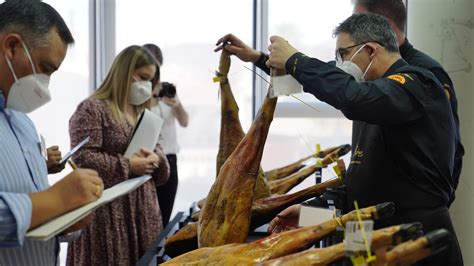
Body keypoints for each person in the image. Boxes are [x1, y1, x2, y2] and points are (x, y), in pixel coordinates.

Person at [216, 13, 462, 266]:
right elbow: (360, 186)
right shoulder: (371, 97)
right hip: (363, 230)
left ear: (370, 50)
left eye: (343, 55)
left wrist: (294, 59)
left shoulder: (416, 84)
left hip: (411, 235)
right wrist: (309, 214)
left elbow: (350, 96)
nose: (340, 64)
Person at [0, 1, 104, 265]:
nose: (45, 86)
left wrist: (66, 217)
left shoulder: (23, 124)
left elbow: (36, 208)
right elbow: (45, 202)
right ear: (11, 46)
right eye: (44, 68)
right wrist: (58, 199)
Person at [352, 0, 464, 207]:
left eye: (359, 24)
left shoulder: (426, 73)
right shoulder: (370, 71)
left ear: (385, 26)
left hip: (409, 210)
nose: (353, 33)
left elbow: (450, 149)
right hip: (373, 206)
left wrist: (432, 204)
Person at [66, 45, 170, 265]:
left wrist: (156, 158)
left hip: (144, 211)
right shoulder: (92, 109)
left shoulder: (143, 112)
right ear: (125, 72)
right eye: (143, 77)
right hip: (109, 216)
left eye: (150, 81)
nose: (147, 86)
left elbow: (158, 148)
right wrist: (128, 166)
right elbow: (82, 158)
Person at [144, 43, 189, 227]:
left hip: (169, 159)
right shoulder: (140, 93)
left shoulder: (166, 90)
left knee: (164, 217)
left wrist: (176, 103)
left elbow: (184, 121)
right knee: (148, 219)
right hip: (147, 160)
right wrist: (151, 97)